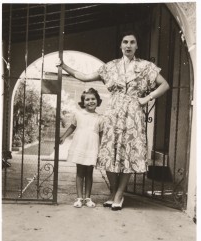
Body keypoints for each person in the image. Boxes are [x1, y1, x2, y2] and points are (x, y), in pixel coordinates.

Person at [56, 30, 170, 211]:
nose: (128, 45)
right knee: (108, 152)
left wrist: (147, 98)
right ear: (120, 46)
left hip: (133, 114)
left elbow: (165, 84)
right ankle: (112, 193)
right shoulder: (111, 67)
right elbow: (84, 77)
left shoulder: (147, 66)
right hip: (113, 113)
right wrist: (65, 67)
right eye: (125, 42)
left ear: (137, 46)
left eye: (132, 42)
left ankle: (119, 195)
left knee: (127, 154)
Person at [59, 88, 103, 208]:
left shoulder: (100, 117)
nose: (90, 101)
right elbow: (72, 127)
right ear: (83, 102)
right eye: (87, 99)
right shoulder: (78, 114)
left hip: (92, 146)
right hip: (80, 145)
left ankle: (88, 198)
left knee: (89, 172)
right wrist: (63, 137)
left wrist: (102, 148)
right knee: (80, 172)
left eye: (93, 99)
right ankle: (79, 198)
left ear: (98, 101)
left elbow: (101, 134)